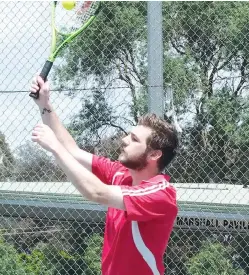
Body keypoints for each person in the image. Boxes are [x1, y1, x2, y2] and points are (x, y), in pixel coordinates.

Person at [29, 76, 179, 275]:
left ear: (154, 154)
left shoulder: (161, 195)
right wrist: (45, 105)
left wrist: (55, 148)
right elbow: (72, 151)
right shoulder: (120, 174)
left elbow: (96, 193)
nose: (124, 140)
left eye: (134, 139)